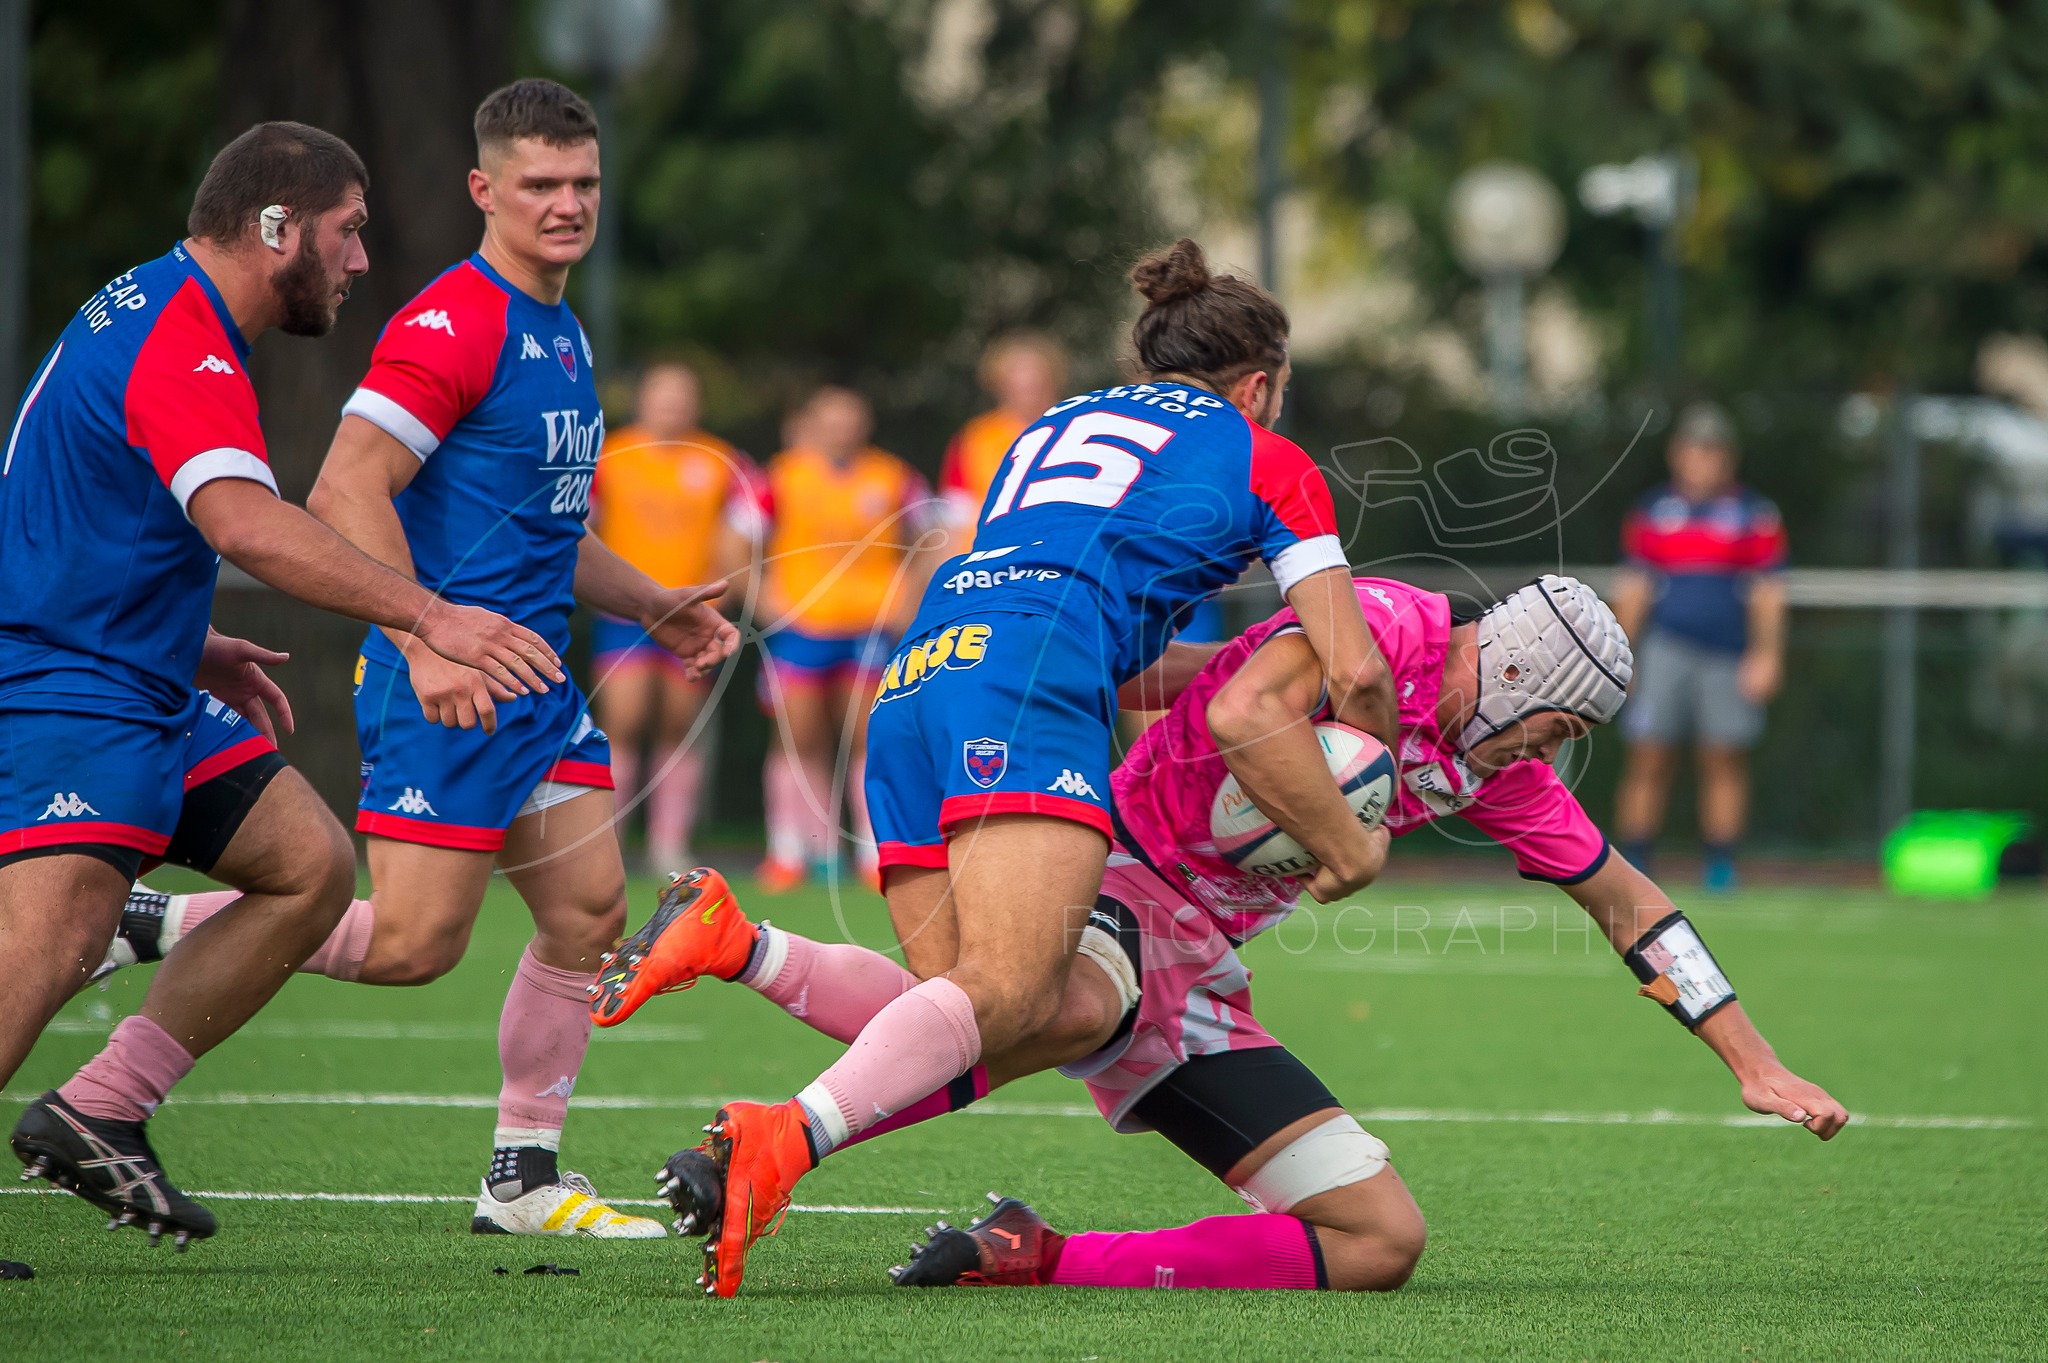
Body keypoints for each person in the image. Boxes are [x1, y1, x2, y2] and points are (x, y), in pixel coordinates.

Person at [597, 576, 1846, 1295]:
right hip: (1112, 872)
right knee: (1061, 1002)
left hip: (1198, 966)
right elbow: (1246, 697)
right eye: (1557, 728)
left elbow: (1634, 904)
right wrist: (1346, 842)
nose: (1548, 756)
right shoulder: (1392, 629)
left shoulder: (1490, 774)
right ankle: (781, 1138)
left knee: (1378, 1241)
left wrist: (1753, 1061)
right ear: (1521, 679)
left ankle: (1035, 1252)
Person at [602, 237, 1401, 1297]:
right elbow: (1353, 661)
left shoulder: (1053, 423)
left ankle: (740, 942)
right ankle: (780, 1139)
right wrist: (1362, 795)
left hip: (920, 681)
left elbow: (1106, 650)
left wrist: (1230, 668)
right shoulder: (1266, 457)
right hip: (1024, 689)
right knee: (1013, 992)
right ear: (1260, 383)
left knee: (969, 1005)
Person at [92, 80, 736, 1243]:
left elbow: (544, 526)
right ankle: (147, 925)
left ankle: (522, 1177)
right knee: (410, 946)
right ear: (484, 190)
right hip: (446, 682)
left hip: (531, 682)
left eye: (584, 183)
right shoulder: (456, 321)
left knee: (589, 912)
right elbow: (342, 488)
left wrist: (659, 608)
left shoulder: (562, 326)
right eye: (539, 184)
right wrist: (418, 637)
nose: (567, 204)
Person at [3, 122, 561, 1259]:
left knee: (305, 866)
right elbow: (248, 523)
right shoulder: (185, 338)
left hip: (136, 670)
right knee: (44, 944)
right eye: (348, 232)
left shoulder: (164, 308)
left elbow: (83, 494)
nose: (360, 261)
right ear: (275, 228)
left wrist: (188, 634)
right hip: (70, 688)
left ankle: (100, 1108)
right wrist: (427, 616)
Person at [754, 385, 938, 893]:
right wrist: (760, 593)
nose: (841, 428)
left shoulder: (894, 476)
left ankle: (871, 848)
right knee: (797, 736)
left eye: (850, 418)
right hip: (802, 622)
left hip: (870, 624)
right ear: (814, 423)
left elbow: (930, 539)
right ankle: (794, 851)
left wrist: (908, 599)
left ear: (865, 424)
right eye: (830, 419)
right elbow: (742, 538)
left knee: (867, 734)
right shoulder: (782, 475)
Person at [589, 361, 762, 872]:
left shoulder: (722, 460)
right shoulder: (611, 454)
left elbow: (740, 535)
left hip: (692, 614)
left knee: (678, 726)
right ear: (643, 399)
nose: (674, 404)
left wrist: (727, 591)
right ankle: (607, 842)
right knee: (622, 720)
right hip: (625, 612)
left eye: (684, 395)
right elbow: (582, 528)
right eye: (664, 394)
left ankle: (669, 844)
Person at [1611, 402, 1788, 892]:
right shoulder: (1652, 511)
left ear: (1727, 458)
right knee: (1649, 754)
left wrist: (1766, 653)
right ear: (1678, 456)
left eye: (1713, 452)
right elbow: (1635, 588)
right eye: (1695, 450)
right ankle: (1636, 860)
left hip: (1727, 654)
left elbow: (1767, 592)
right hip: (1666, 648)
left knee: (1723, 756)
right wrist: (1624, 656)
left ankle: (1720, 863)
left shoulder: (1753, 514)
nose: (1704, 461)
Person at [935, 332, 1067, 559]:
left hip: (1056, 556)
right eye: (1018, 379)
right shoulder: (975, 438)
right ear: (998, 384)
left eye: (1036, 380)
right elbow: (955, 517)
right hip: (986, 561)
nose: (1028, 389)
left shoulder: (1075, 427)